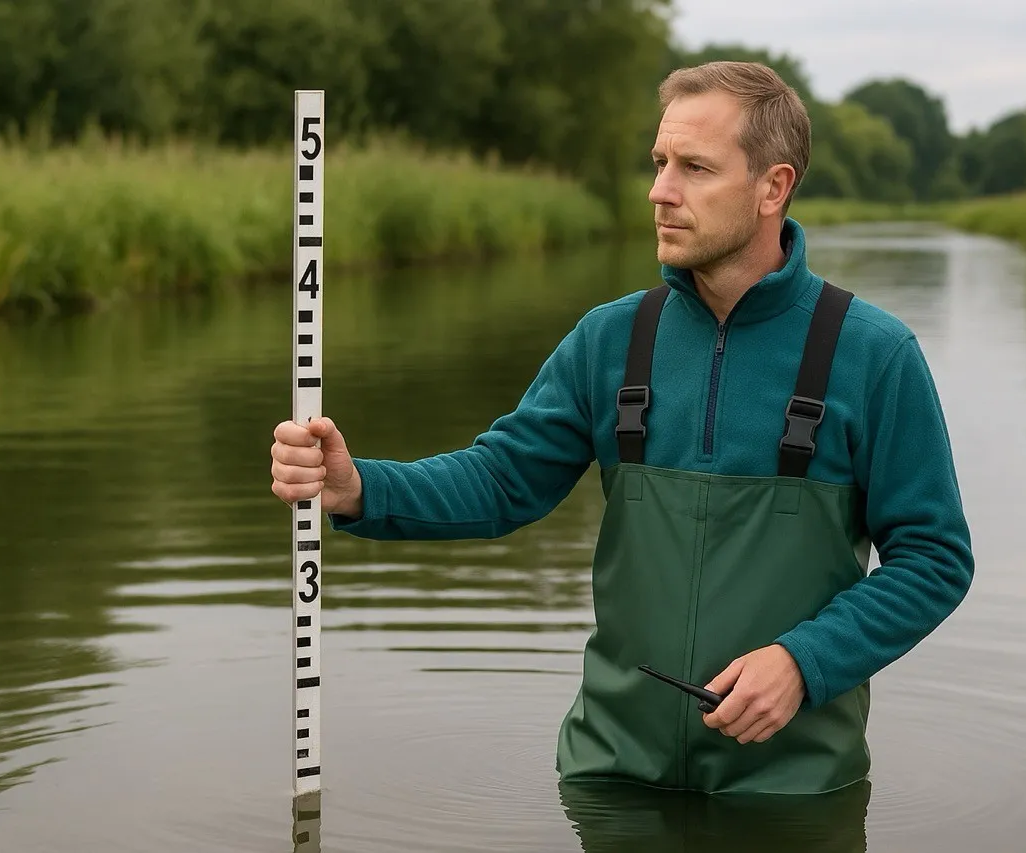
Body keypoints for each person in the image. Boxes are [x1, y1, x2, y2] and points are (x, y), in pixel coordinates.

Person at [270, 60, 974, 795]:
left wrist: (806, 662)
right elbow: (501, 480)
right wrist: (358, 488)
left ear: (773, 187)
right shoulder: (610, 340)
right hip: (609, 777)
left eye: (695, 168)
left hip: (793, 791)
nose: (660, 191)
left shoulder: (874, 354)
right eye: (660, 162)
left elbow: (933, 557)